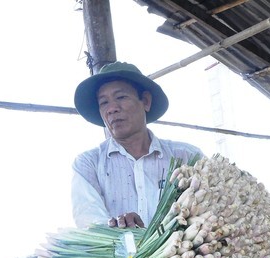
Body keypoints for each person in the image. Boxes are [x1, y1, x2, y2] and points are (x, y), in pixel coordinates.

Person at [71, 61, 204, 229]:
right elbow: (89, 222)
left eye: (121, 97)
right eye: (103, 103)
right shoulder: (89, 164)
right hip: (121, 256)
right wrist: (119, 231)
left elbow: (207, 208)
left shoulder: (187, 157)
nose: (111, 108)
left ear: (146, 101)